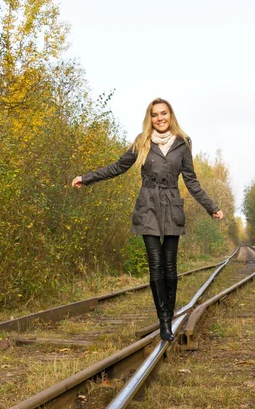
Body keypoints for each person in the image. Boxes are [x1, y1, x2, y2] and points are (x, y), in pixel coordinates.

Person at [72, 98, 223, 342]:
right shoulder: (142, 141)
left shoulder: (183, 143)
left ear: (170, 115)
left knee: (170, 268)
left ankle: (170, 313)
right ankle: (164, 322)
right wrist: (87, 178)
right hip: (148, 205)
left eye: (164, 113)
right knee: (155, 266)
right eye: (155, 115)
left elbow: (191, 180)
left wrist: (211, 207)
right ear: (150, 117)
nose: (160, 118)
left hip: (172, 205)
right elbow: (118, 167)